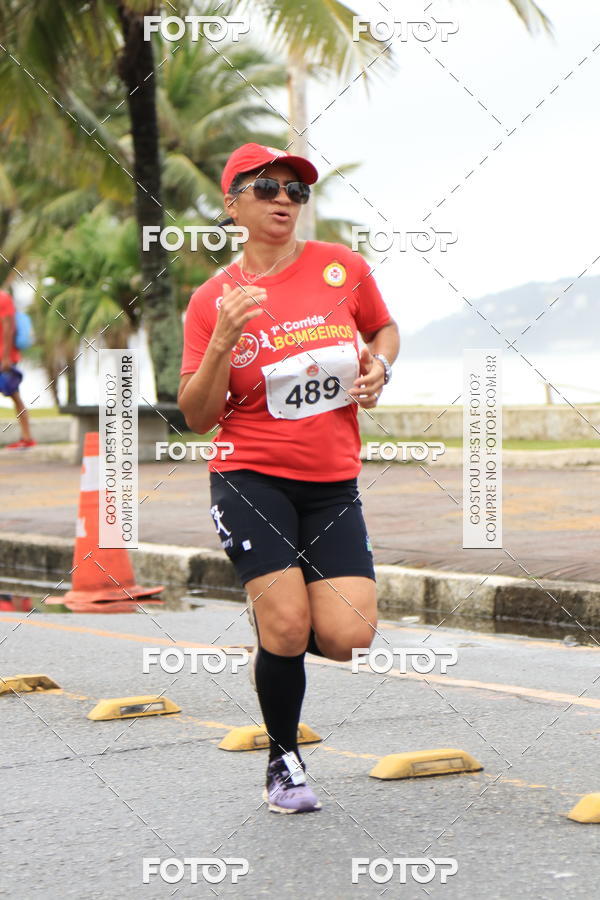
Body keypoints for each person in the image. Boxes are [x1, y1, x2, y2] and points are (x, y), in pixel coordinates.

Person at [178, 143, 399, 814]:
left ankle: (284, 623)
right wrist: (220, 342)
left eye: (296, 191)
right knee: (284, 628)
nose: (284, 200)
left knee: (347, 636)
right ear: (232, 202)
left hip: (332, 483)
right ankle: (284, 763)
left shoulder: (342, 268)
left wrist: (379, 369)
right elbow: (196, 416)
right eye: (268, 187)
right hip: (250, 478)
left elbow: (384, 330)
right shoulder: (212, 298)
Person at [0, 288, 35, 450]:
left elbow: (8, 328)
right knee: (14, 396)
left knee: (14, 395)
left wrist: (6, 357)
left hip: (4, 358)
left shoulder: (3, 298)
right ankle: (26, 437)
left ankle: (27, 437)